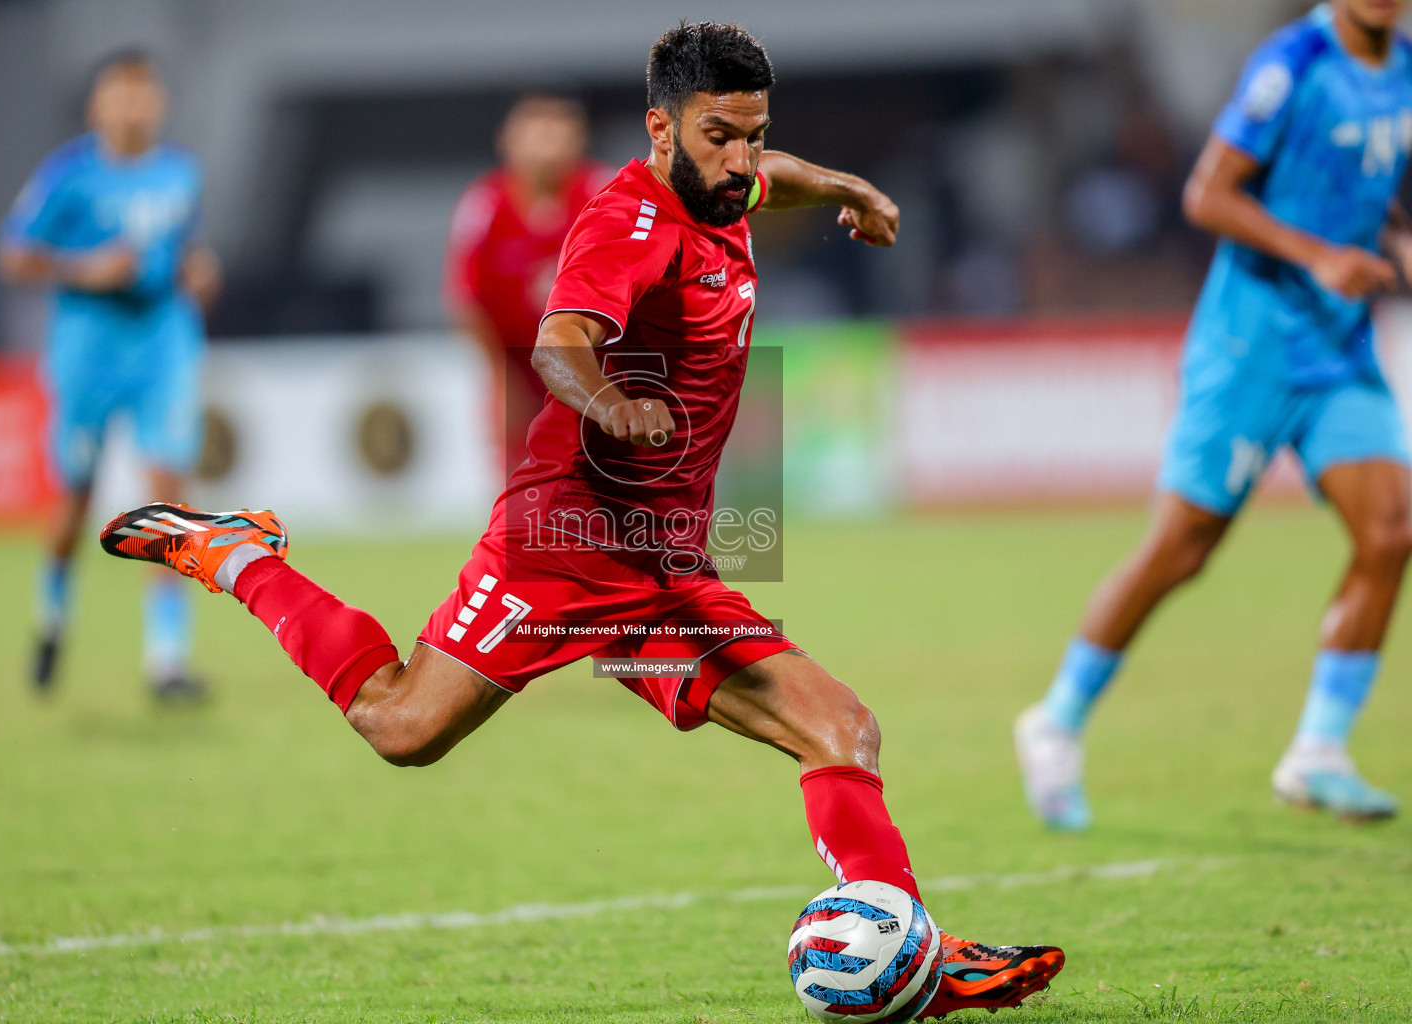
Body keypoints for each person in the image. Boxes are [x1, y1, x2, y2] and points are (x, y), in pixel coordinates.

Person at [100, 23, 1063, 1017]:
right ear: (660, 130)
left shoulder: (725, 185)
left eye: (751, 134)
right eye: (719, 137)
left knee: (841, 729)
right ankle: (240, 556)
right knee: (400, 724)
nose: (741, 160)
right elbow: (563, 337)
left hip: (663, 565)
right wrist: (611, 405)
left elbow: (773, 170)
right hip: (565, 541)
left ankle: (923, 958)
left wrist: (852, 188)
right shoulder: (625, 223)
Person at [1016, 0, 1412, 829]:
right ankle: (1056, 719)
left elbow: (1358, 190)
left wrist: (1394, 240)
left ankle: (1318, 751)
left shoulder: (1401, 66)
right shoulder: (1293, 62)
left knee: (1390, 532)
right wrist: (1320, 257)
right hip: (1250, 352)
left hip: (1338, 353)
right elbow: (1208, 194)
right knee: (1181, 551)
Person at [0, 49, 221, 700]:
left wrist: (200, 271)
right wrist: (85, 268)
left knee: (170, 502)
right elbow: (15, 256)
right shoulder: (67, 176)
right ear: (98, 105)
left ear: (160, 104)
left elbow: (187, 252)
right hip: (88, 359)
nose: (133, 104)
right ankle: (52, 618)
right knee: (74, 498)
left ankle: (167, 661)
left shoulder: (182, 174)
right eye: (120, 93)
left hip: (165, 351)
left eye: (143, 93)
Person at [446, 95, 616, 475]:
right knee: (519, 475)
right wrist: (498, 377)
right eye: (536, 134)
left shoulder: (605, 194)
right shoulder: (484, 205)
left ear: (580, 139)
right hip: (518, 369)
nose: (547, 147)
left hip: (596, 363)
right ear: (508, 140)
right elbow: (466, 301)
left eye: (558, 133)